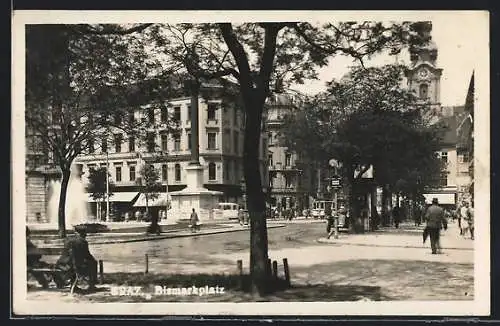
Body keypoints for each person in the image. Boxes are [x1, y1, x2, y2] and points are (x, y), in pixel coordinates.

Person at [54, 225, 98, 292]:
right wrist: (93, 260)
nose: (86, 235)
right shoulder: (83, 242)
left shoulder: (68, 240)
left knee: (75, 263)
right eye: (85, 233)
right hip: (75, 267)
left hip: (62, 265)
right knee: (93, 263)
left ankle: (72, 285)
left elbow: (65, 253)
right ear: (83, 233)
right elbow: (87, 255)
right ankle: (92, 285)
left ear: (75, 232)